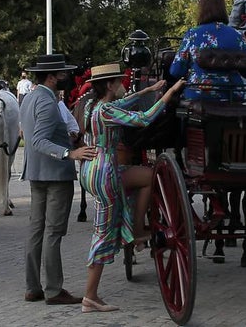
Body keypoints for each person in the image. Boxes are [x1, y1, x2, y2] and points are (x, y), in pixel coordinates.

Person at [78, 63, 185, 313]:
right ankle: (90, 297)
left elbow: (124, 103)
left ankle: (136, 230)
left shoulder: (93, 106)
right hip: (105, 173)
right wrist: (170, 93)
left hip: (95, 169)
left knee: (148, 176)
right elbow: (144, 119)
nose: (124, 85)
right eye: (119, 82)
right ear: (109, 85)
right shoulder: (105, 110)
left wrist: (151, 90)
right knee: (102, 234)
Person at [20, 54, 98, 306]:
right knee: (53, 232)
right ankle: (54, 290)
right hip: (55, 174)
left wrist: (68, 139)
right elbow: (39, 140)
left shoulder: (30, 98)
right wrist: (70, 153)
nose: (67, 78)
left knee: (36, 230)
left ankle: (33, 287)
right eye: (63, 74)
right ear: (52, 77)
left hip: (36, 173)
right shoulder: (47, 101)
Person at [170, 0, 246, 101]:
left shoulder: (193, 34)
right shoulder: (238, 35)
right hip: (231, 95)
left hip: (198, 94)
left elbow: (176, 70)